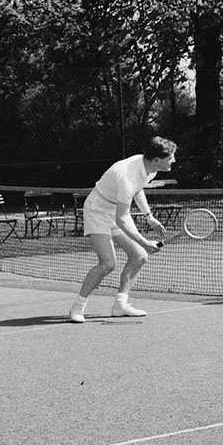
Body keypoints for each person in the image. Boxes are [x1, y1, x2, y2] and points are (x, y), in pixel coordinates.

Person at [68, 136, 177, 322]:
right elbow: (122, 217)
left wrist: (149, 217)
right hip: (97, 210)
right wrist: (144, 241)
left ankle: (120, 305)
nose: (174, 160)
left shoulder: (149, 169)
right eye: (171, 157)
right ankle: (77, 308)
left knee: (140, 256)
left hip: (114, 209)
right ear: (157, 160)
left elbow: (138, 189)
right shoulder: (127, 175)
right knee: (108, 264)